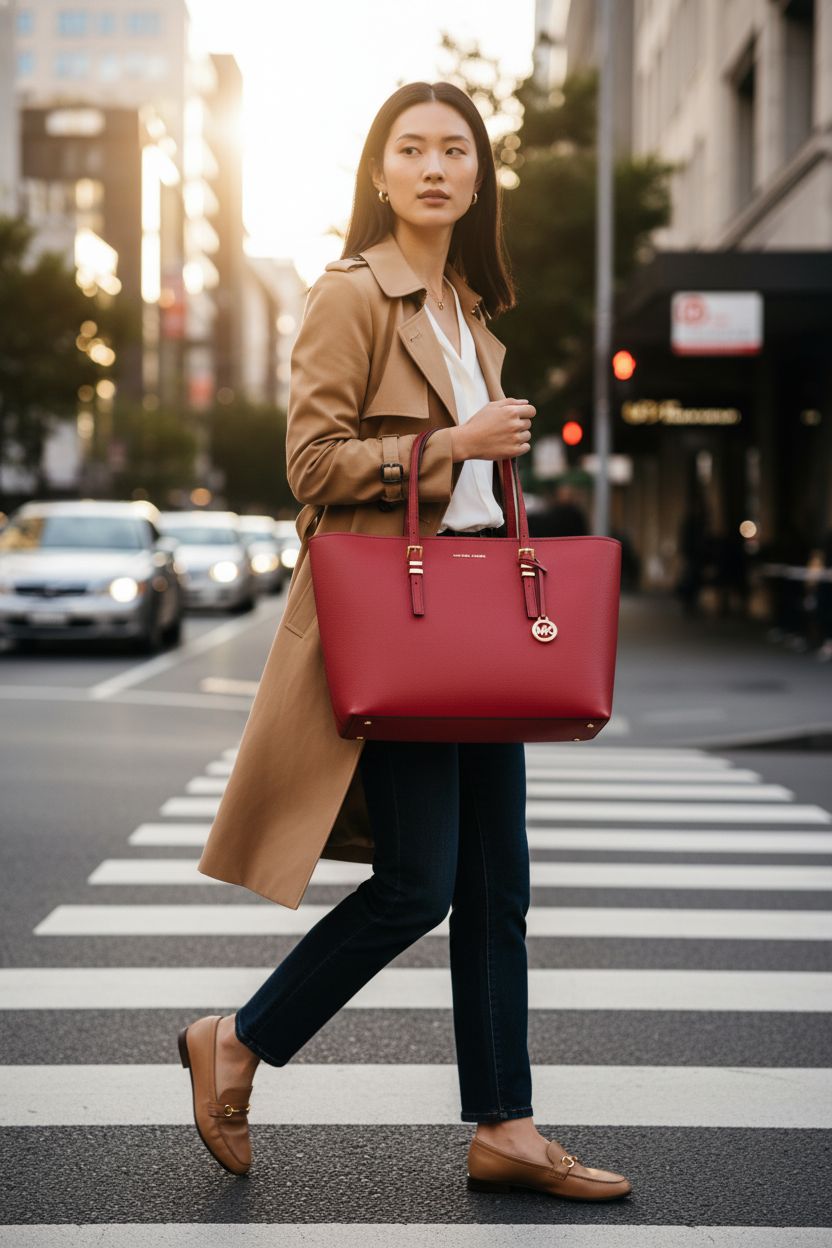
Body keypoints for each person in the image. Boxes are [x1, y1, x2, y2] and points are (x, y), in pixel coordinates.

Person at [177, 80, 631, 1203]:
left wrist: (485, 446)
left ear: (479, 176)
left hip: (480, 617)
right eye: (410, 148)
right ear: (378, 173)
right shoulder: (352, 295)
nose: (434, 167)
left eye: (454, 151)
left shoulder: (469, 310)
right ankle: (236, 1039)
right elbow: (311, 466)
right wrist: (448, 443)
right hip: (412, 621)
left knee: (499, 889)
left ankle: (506, 1128)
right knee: (418, 884)